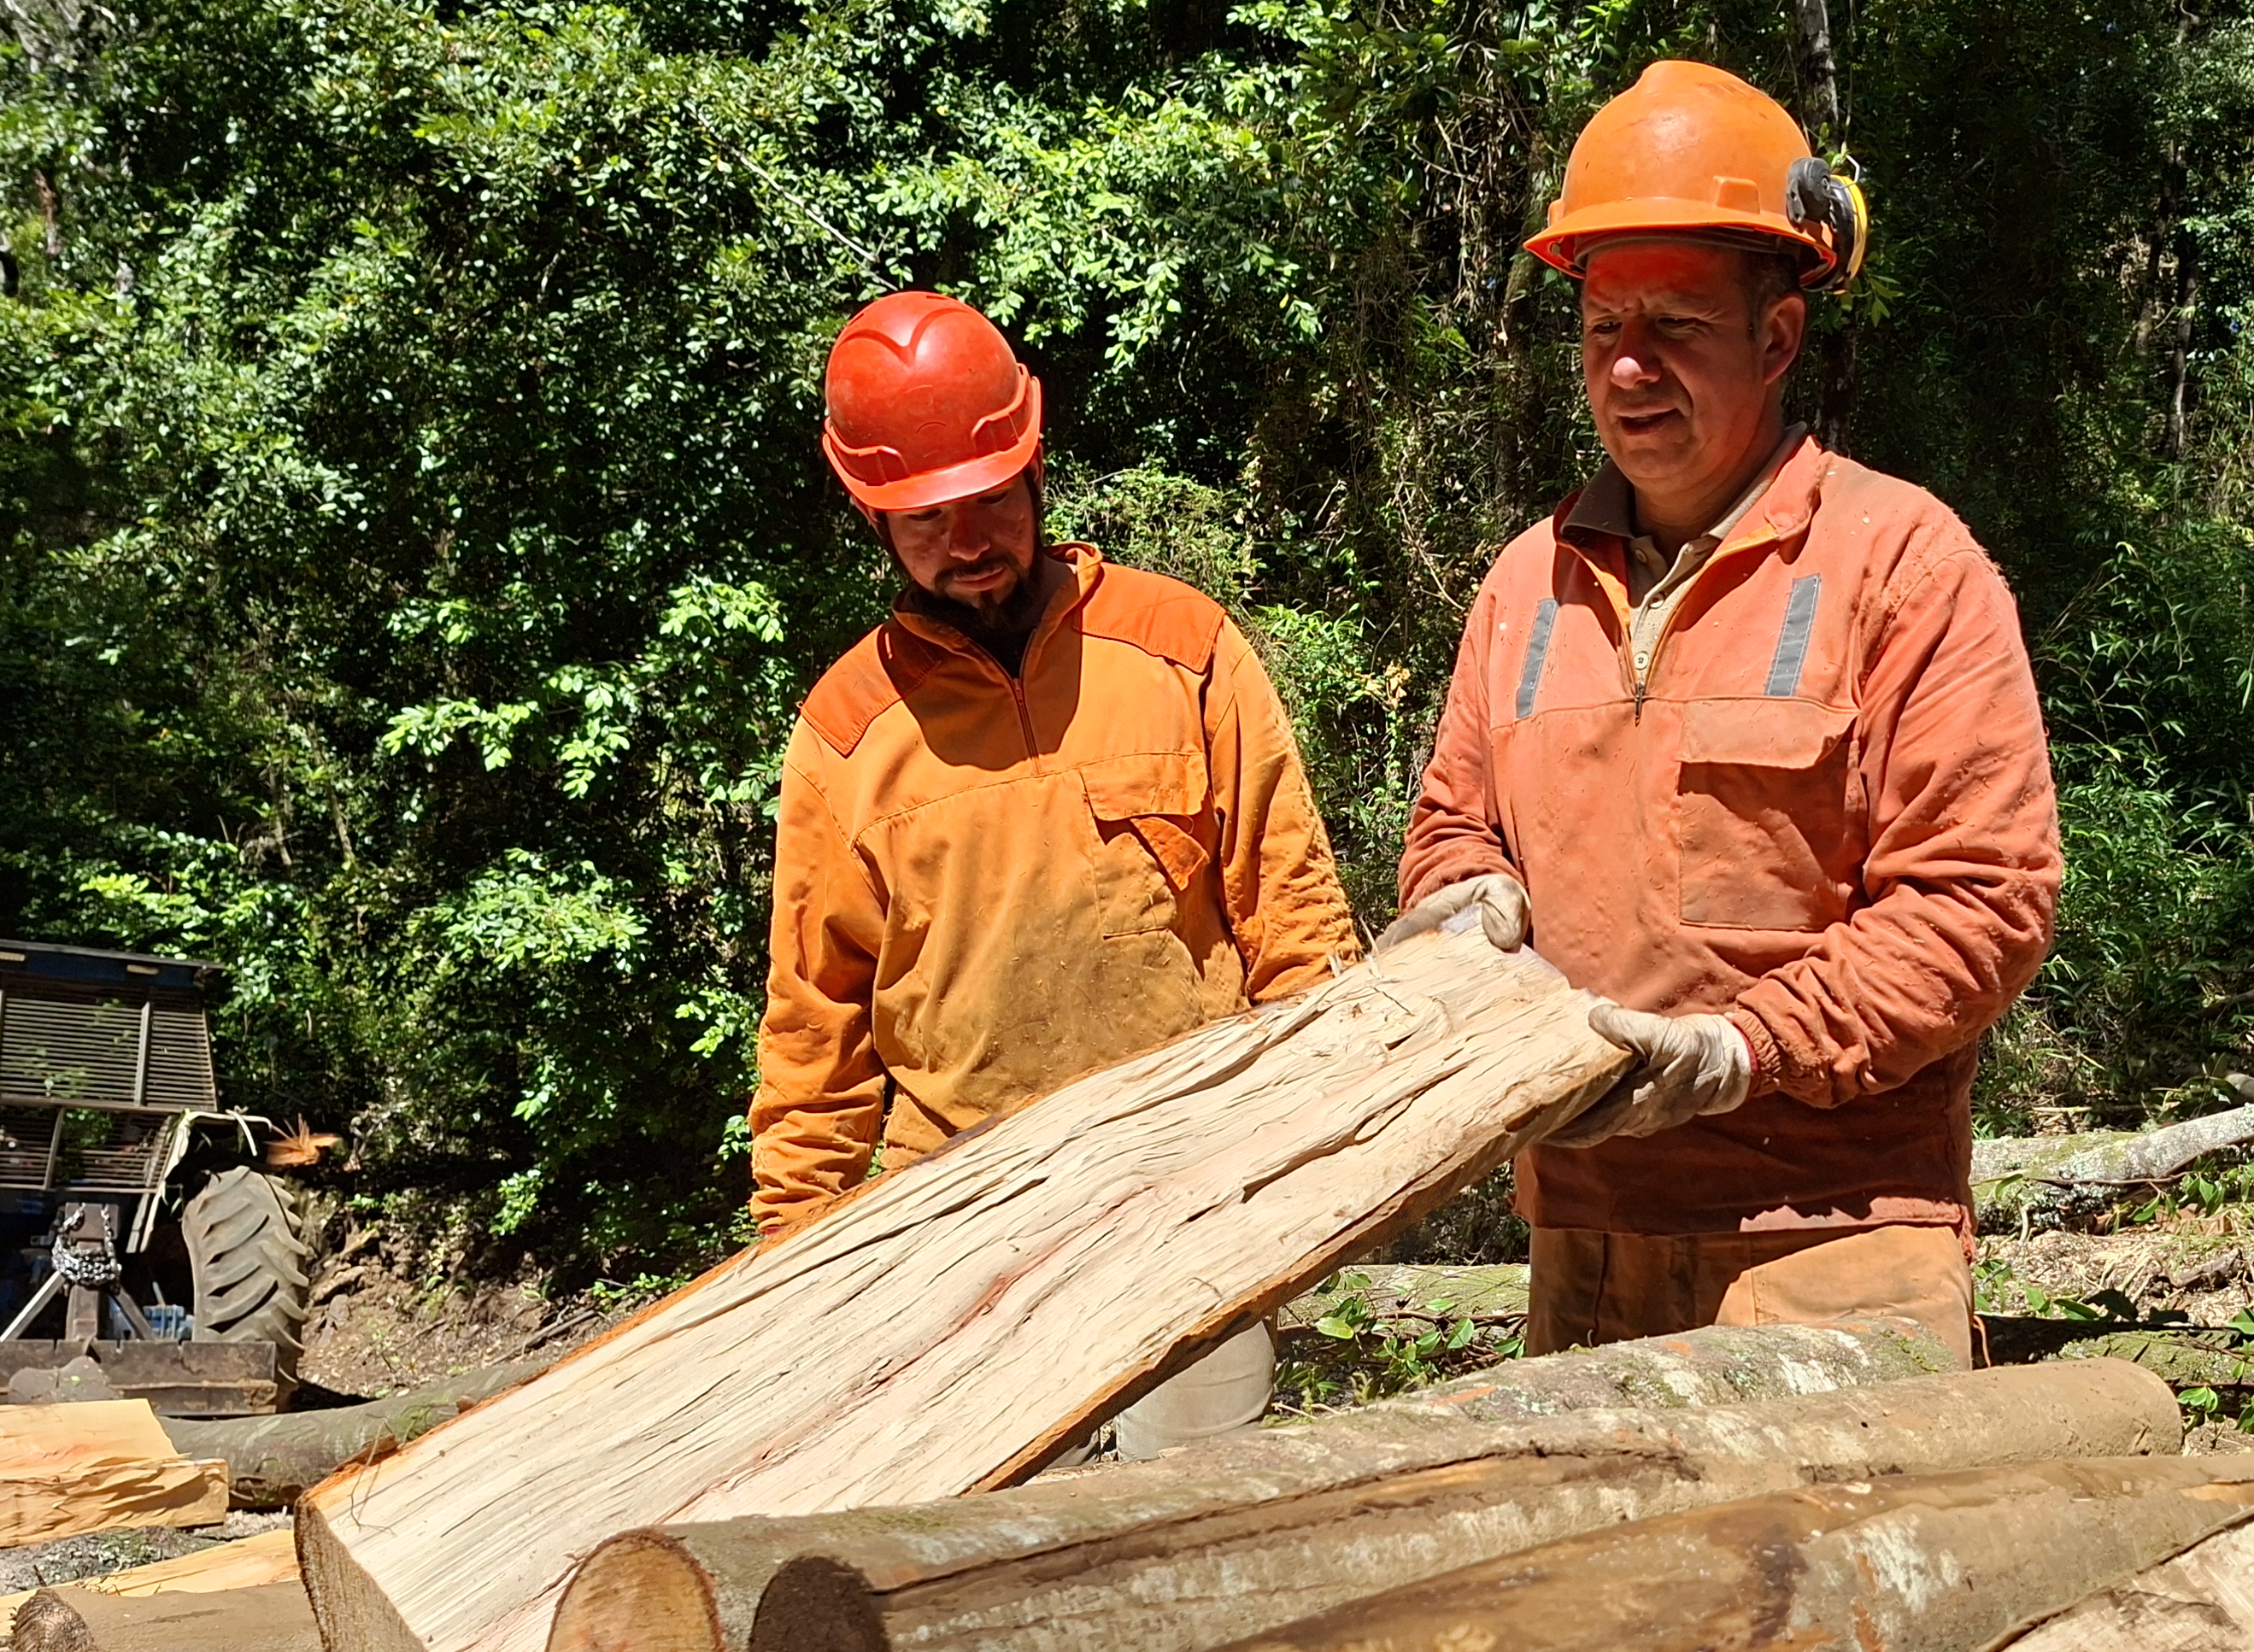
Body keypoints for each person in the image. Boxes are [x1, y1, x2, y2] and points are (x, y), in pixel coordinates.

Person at [1390, 61, 2062, 1362]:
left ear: (1778, 338)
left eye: (1678, 329)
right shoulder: (1525, 587)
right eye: (1602, 329)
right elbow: (1451, 830)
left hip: (1833, 1244)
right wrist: (1469, 902)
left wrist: (1743, 1051)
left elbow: (1984, 899)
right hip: (1583, 1249)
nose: (1630, 368)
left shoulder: (1902, 567)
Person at [753, 290, 1359, 1450]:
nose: (968, 543)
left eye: (989, 503)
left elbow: (1294, 919)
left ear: (1033, 469)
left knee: (1200, 1557)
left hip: (1186, 1198)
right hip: (959, 1237)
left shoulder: (1180, 648)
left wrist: (1309, 1161)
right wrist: (794, 1275)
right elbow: (814, 1036)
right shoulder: (845, 733)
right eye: (928, 520)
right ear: (872, 520)